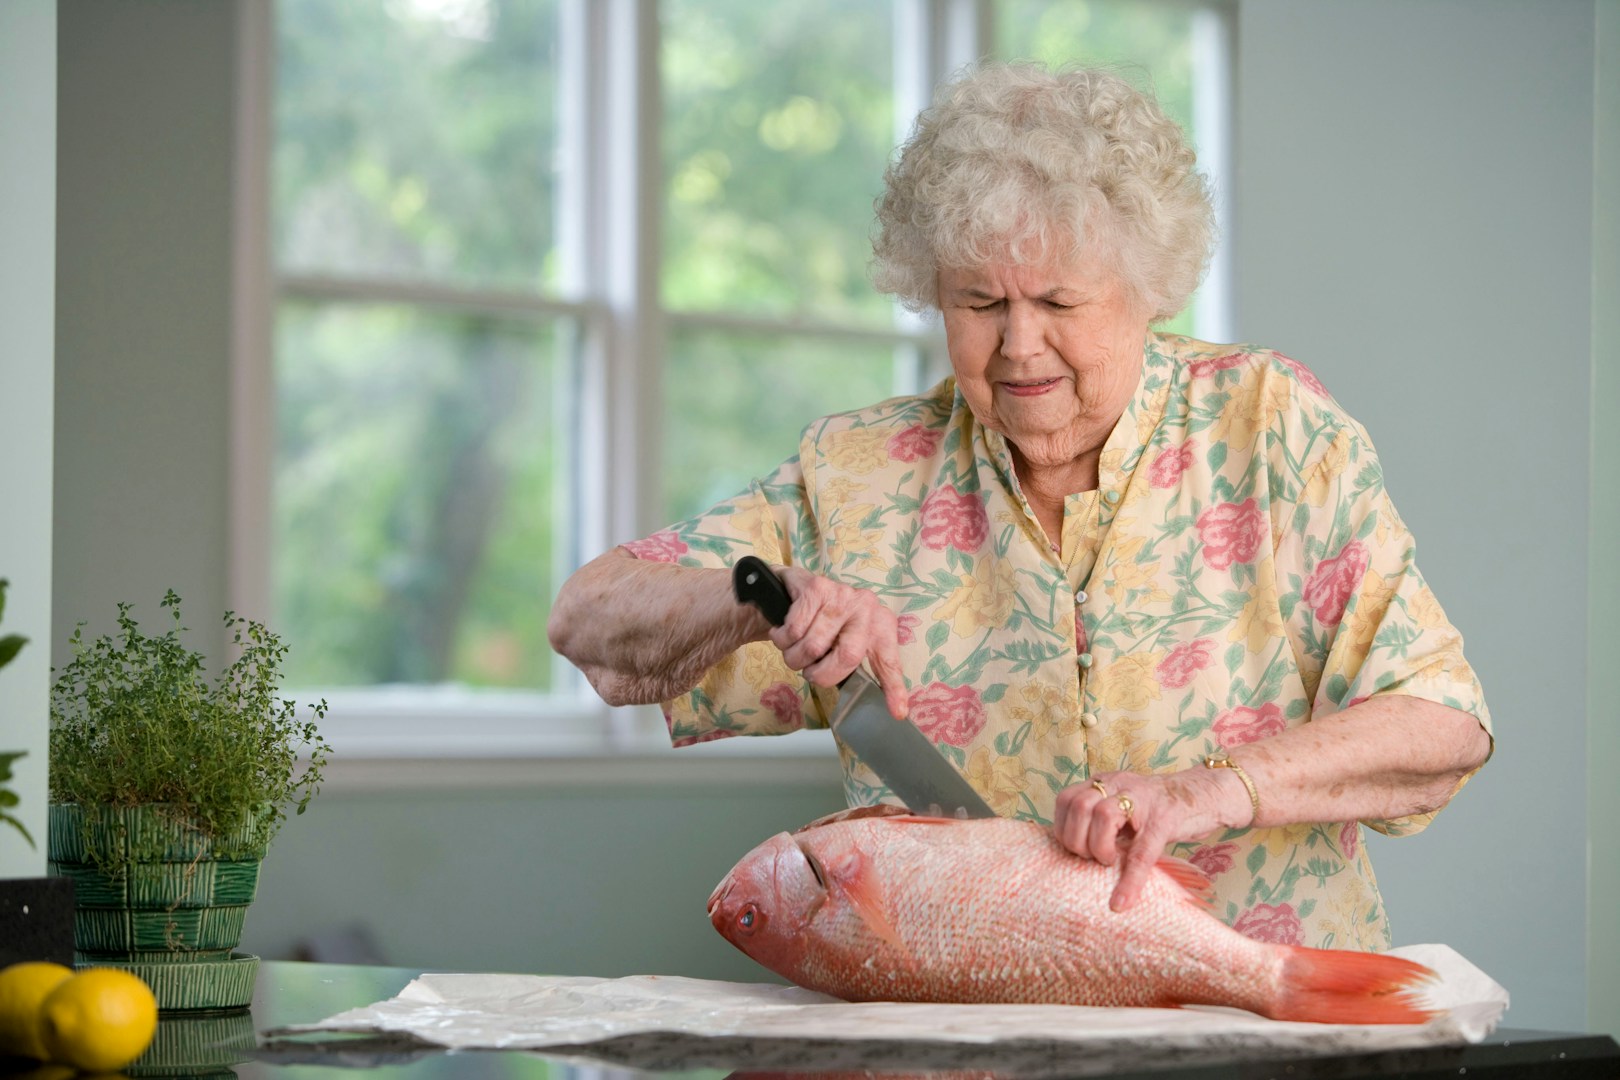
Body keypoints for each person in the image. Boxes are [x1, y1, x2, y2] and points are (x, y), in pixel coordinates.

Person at [547, 63, 1492, 952]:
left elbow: (1441, 724)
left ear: (1144, 294)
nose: (1019, 345)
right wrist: (758, 600)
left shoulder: (1268, 427)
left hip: (1269, 1019)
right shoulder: (860, 473)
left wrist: (1215, 791)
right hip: (970, 1043)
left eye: (1057, 300)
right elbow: (588, 617)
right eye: (978, 301)